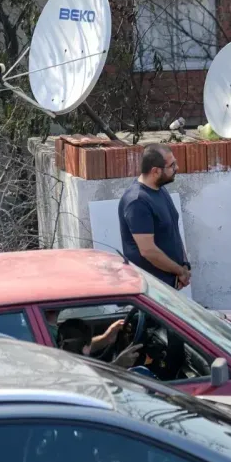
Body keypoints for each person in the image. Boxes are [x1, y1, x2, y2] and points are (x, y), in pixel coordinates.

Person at [118, 144, 191, 289]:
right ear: (155, 171)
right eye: (172, 165)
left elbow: (173, 231)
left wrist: (184, 265)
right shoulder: (138, 202)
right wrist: (180, 271)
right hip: (151, 292)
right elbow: (148, 251)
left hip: (169, 288)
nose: (177, 168)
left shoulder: (160, 190)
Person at [56, 318, 142, 369]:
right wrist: (118, 364)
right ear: (85, 348)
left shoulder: (59, 356)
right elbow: (96, 378)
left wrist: (106, 338)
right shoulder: (75, 371)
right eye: (90, 343)